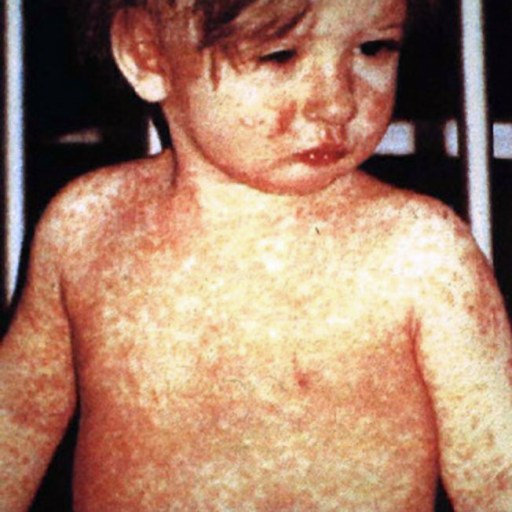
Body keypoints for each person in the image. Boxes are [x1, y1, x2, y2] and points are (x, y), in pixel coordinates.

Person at [1, 0, 511, 510]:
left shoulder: (419, 254)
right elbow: (16, 421)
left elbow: (498, 477)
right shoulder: (90, 225)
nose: (336, 102)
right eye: (280, 55)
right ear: (147, 52)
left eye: (373, 48)